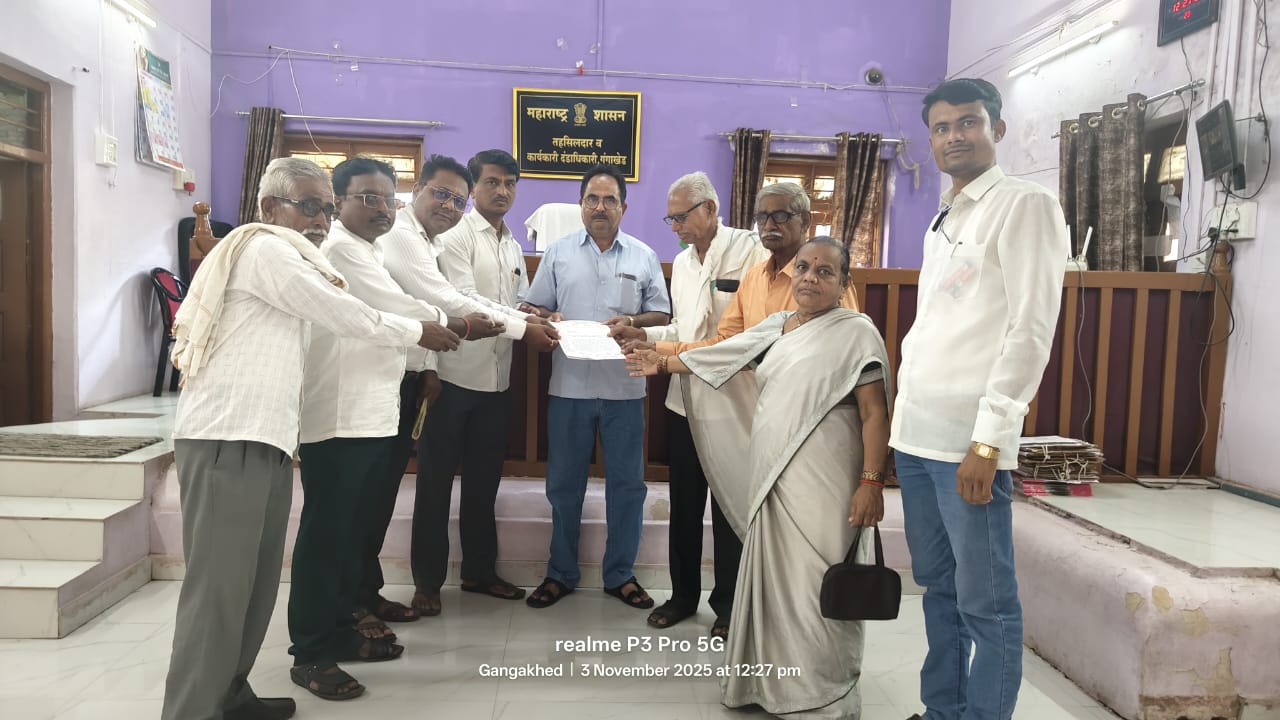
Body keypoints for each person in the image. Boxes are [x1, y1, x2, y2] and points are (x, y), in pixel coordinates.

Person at [162, 157, 460, 720]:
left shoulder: (300, 255)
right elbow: (345, 313)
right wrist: (420, 330)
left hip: (267, 437)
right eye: (308, 206)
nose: (321, 220)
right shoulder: (266, 250)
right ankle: (193, 710)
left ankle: (230, 694)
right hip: (227, 436)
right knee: (220, 589)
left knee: (253, 587)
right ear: (270, 207)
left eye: (325, 208)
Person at [626, 237, 891, 719]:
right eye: (804, 268)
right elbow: (721, 354)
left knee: (815, 579)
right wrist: (661, 361)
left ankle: (822, 693)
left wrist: (871, 482)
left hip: (828, 478)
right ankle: (768, 685)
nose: (810, 278)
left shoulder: (857, 333)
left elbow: (874, 414)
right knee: (775, 579)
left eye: (825, 271)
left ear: (843, 283)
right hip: (774, 475)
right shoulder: (779, 325)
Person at [289, 157, 501, 700]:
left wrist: (436, 344)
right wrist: (457, 325)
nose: (382, 208)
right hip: (338, 414)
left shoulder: (372, 250)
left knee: (351, 528)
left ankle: (341, 625)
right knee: (327, 536)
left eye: (388, 198)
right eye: (368, 197)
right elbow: (395, 308)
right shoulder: (341, 250)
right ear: (338, 201)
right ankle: (310, 652)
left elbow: (403, 311)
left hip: (371, 411)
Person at [894, 78, 1068, 720]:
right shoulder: (945, 216)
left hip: (968, 443)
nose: (954, 136)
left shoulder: (1024, 205)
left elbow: (1030, 331)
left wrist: (990, 440)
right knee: (938, 589)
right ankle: (943, 710)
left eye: (968, 122)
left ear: (997, 128)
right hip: (916, 439)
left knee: (986, 603)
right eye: (941, 128)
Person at [607, 171, 768, 638]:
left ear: (710, 209)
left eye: (681, 217)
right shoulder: (682, 262)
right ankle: (682, 596)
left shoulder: (750, 251)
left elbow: (745, 335)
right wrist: (644, 333)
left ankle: (729, 603)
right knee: (684, 504)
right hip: (684, 401)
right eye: (670, 219)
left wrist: (663, 351)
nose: (675, 227)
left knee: (729, 505)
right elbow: (682, 329)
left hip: (734, 401)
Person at [410, 149, 560, 615]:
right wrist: (523, 325)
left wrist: (534, 312)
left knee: (483, 485)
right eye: (492, 182)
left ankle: (479, 572)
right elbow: (461, 299)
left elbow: (512, 300)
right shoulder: (454, 234)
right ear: (472, 189)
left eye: (510, 183)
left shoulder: (511, 244)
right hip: (451, 378)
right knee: (434, 487)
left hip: (497, 383)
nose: (502, 191)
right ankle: (427, 584)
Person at [520, 163, 671, 609]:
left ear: (624, 207)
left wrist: (634, 321)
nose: (600, 207)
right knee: (564, 485)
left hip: (625, 389)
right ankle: (560, 573)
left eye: (609, 200)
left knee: (627, 486)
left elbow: (661, 313)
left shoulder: (643, 256)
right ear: (581, 204)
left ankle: (620, 575)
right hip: (570, 387)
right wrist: (547, 316)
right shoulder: (559, 252)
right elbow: (532, 306)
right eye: (592, 199)